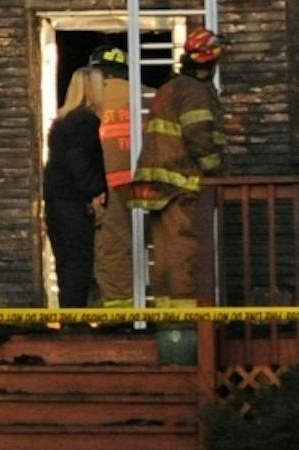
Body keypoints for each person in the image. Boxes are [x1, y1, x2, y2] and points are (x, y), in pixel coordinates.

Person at [133, 27, 225, 302]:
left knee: (165, 253)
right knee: (186, 251)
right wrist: (216, 171)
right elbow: (199, 136)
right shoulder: (194, 90)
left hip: (162, 187)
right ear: (210, 61)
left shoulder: (171, 87)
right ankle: (187, 323)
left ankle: (169, 319)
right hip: (181, 183)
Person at [42, 62, 108, 309]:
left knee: (65, 262)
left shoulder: (61, 122)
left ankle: (68, 317)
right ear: (92, 89)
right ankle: (75, 320)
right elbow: (78, 159)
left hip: (56, 201)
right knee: (79, 261)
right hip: (72, 202)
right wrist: (96, 189)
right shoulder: (85, 120)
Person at [90, 41, 138, 304]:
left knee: (113, 249)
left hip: (106, 185)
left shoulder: (90, 101)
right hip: (146, 180)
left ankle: (121, 312)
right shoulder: (148, 96)